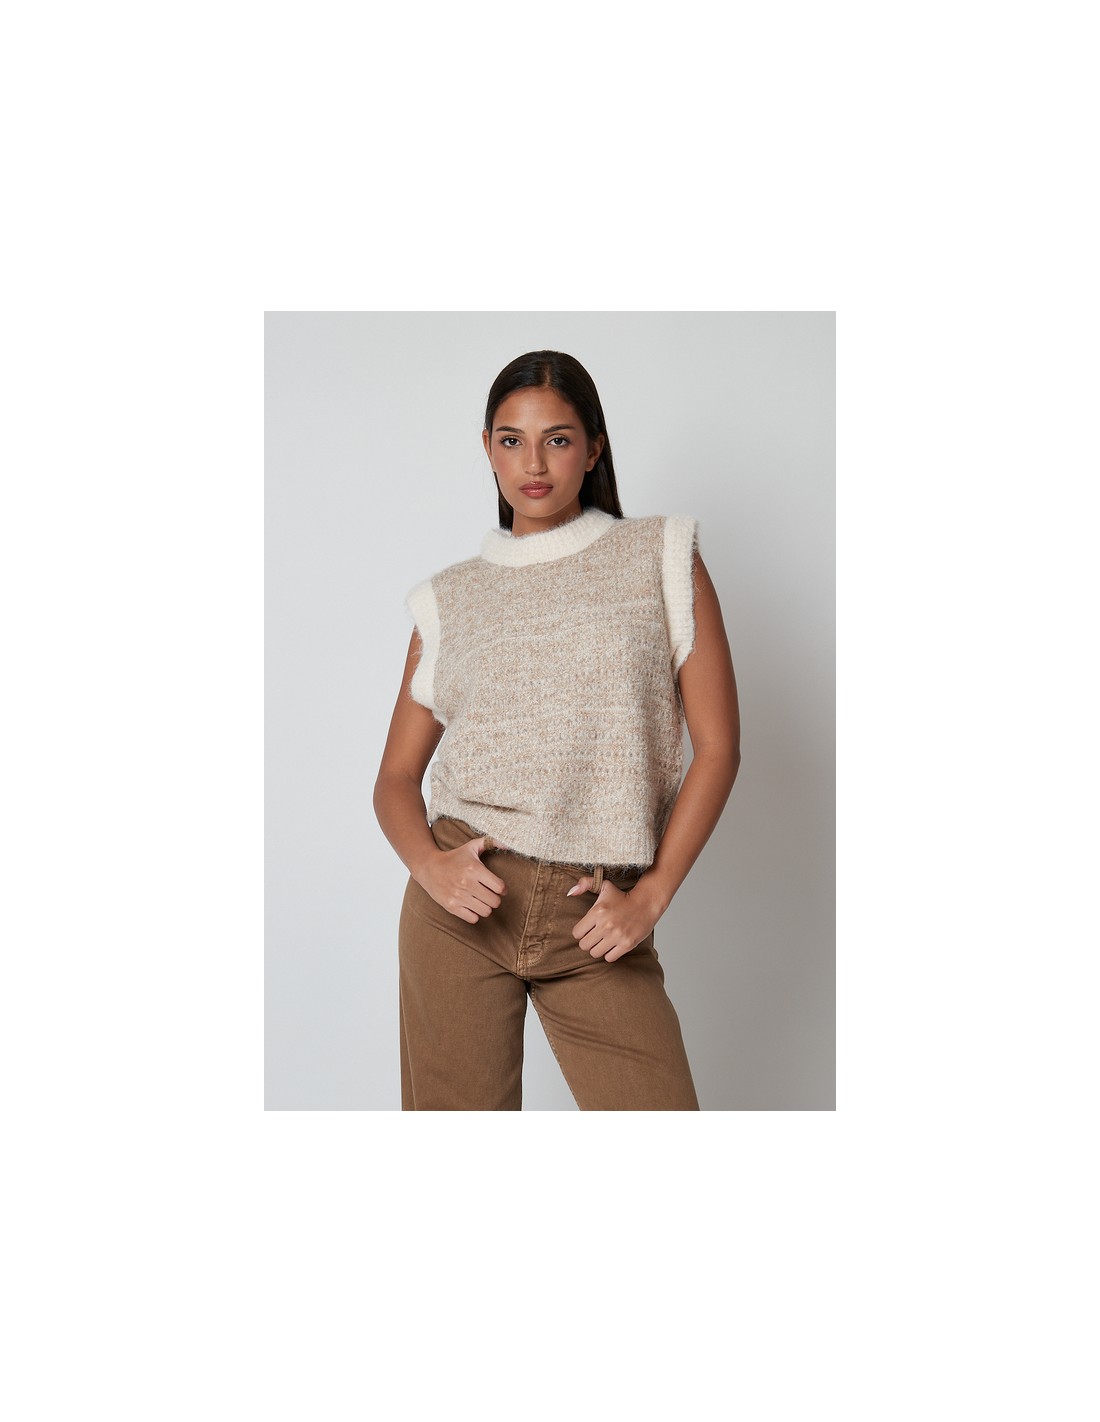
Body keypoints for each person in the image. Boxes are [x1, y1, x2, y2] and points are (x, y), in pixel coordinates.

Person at [374, 350, 741, 1110]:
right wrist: (429, 866)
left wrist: (652, 896)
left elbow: (719, 748)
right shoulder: (449, 598)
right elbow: (396, 779)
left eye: (558, 439)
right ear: (487, 448)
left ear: (594, 448)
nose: (533, 464)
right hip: (462, 907)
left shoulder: (660, 556)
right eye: (511, 441)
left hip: (596, 914)